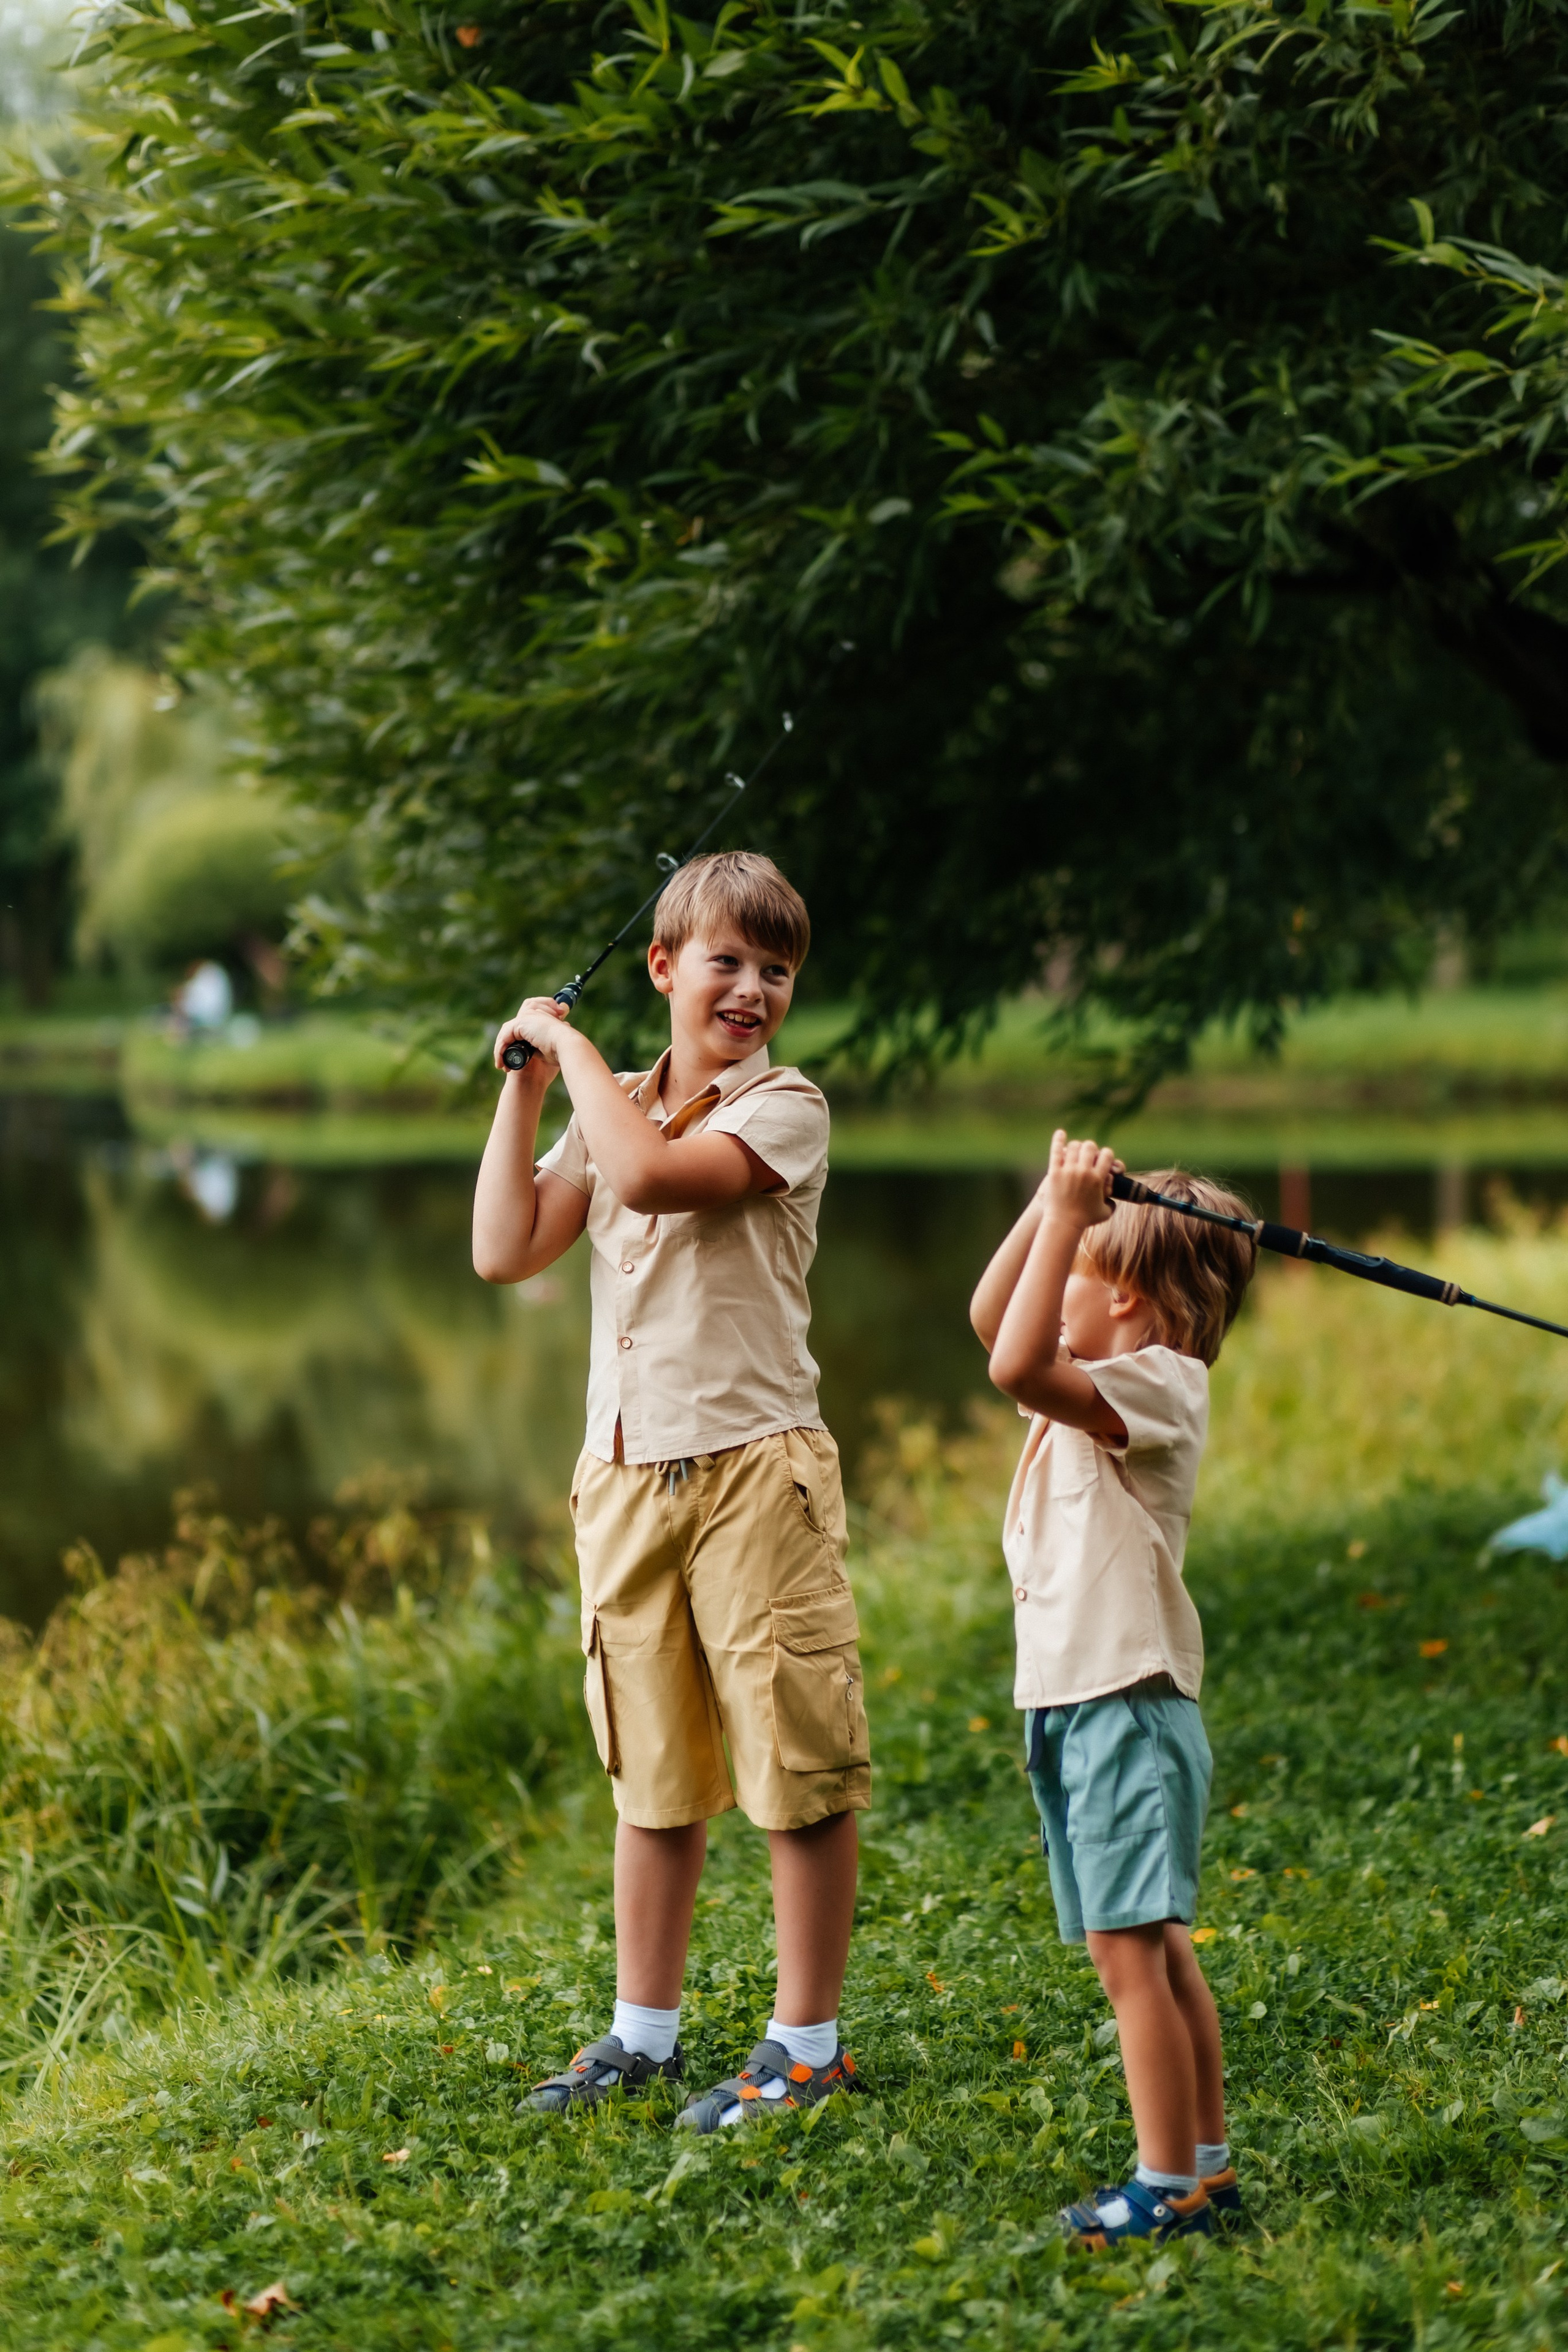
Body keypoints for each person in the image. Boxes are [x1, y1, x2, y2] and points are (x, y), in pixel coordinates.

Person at [472, 850, 869, 2131]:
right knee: (652, 1768)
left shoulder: (785, 1109)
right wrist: (529, 1089)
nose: (752, 989)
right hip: (626, 1474)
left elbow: (647, 1177)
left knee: (793, 1764)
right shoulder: (617, 1104)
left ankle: (804, 2047)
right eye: (726, 962)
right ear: (661, 968)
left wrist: (561, 1044)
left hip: (757, 1470)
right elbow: (501, 1248)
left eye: (776, 971)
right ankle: (640, 2036)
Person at [969, 1132, 1257, 2245]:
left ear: (1128, 1302)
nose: (1053, 1279)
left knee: (1134, 1956)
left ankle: (1167, 2184)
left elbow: (1011, 1361)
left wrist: (1065, 1220)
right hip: (1085, 1701)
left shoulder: (1155, 1386)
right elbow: (1000, 1324)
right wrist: (1055, 1205)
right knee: (1148, 1946)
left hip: (1124, 1706)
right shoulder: (1092, 1378)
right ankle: (1204, 2171)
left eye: (1074, 1263)